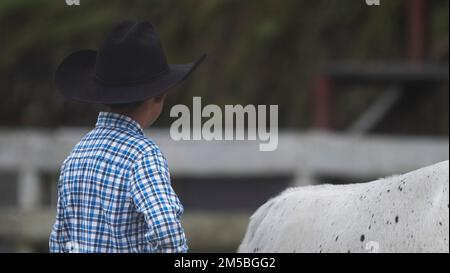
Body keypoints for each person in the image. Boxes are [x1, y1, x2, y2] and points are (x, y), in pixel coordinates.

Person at [49, 20, 205, 253]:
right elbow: (165, 228)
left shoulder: (77, 154)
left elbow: (59, 239)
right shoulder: (143, 155)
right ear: (160, 95)